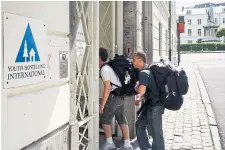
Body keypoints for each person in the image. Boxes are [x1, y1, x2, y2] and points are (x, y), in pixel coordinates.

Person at [99, 48, 133, 150]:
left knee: (105, 118)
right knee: (121, 118)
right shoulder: (110, 66)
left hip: (114, 96)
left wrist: (102, 105)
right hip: (120, 96)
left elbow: (107, 88)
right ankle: (127, 144)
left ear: (99, 57)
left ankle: (110, 144)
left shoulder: (104, 69)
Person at [132, 51, 165, 150]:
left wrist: (136, 87)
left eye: (134, 60)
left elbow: (141, 90)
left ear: (140, 60)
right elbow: (148, 90)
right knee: (139, 125)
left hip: (155, 106)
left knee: (156, 134)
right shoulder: (147, 70)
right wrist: (139, 97)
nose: (132, 62)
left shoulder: (143, 73)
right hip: (150, 105)